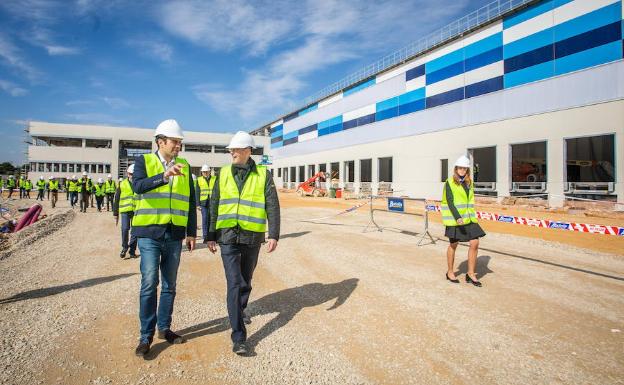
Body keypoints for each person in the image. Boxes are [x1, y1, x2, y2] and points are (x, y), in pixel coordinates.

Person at [207, 131, 280, 356]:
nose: (232, 152)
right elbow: (214, 203)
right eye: (231, 149)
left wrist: (274, 233)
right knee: (234, 283)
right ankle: (239, 337)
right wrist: (210, 234)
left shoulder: (263, 175)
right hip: (228, 236)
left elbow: (272, 205)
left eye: (236, 149)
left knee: (246, 279)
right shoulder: (223, 173)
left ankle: (241, 308)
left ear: (249, 151)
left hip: (252, 236)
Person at [131, 119, 197, 357]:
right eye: (175, 141)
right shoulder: (144, 161)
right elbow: (138, 186)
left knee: (169, 285)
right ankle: (145, 336)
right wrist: (163, 176)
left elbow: (190, 200)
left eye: (180, 142)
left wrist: (191, 232)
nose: (178, 146)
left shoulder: (185, 166)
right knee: (150, 283)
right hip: (149, 233)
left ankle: (164, 328)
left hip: (174, 234)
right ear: (160, 142)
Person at [441, 155, 486, 287]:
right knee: (454, 245)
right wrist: (457, 217)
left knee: (475, 243)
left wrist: (473, 216)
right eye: (460, 168)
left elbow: (469, 201)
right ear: (456, 169)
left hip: (469, 218)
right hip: (456, 219)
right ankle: (450, 272)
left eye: (465, 169)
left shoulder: (469, 182)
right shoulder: (449, 182)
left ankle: (471, 274)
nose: (462, 171)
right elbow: (449, 201)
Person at [113, 165, 137, 258]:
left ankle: (132, 250)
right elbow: (117, 198)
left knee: (135, 231)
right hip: (125, 211)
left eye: (134, 174)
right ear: (128, 174)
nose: (132, 176)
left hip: (136, 211)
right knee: (125, 229)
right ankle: (124, 247)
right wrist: (115, 213)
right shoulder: (122, 184)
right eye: (131, 174)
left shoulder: (139, 184)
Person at [196, 164, 216, 243]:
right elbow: (197, 192)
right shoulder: (199, 179)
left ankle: (212, 237)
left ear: (209, 172)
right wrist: (197, 204)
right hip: (203, 203)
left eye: (206, 172)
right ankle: (205, 237)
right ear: (202, 172)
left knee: (212, 220)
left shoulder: (215, 179)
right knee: (205, 220)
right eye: (203, 172)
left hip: (212, 203)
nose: (205, 173)